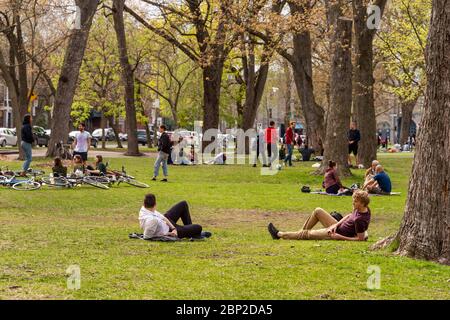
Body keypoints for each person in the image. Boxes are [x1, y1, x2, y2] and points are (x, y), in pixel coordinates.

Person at [267, 190, 371, 241]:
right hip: (336, 227)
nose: (353, 203)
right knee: (318, 211)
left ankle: (278, 234)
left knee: (307, 234)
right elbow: (349, 215)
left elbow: (360, 239)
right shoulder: (363, 209)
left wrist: (338, 236)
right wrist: (336, 225)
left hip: (335, 234)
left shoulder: (359, 220)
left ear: (362, 203)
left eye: (355, 201)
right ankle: (299, 234)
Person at [139, 194, 211, 239]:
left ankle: (191, 233)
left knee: (183, 204)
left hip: (168, 224)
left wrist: (173, 228)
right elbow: (148, 236)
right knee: (198, 227)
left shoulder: (144, 209)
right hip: (168, 230)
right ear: (155, 204)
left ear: (144, 203)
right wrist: (171, 233)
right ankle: (192, 233)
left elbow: (163, 217)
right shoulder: (151, 220)